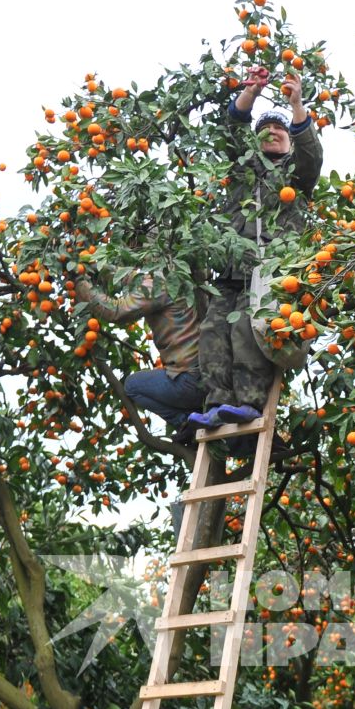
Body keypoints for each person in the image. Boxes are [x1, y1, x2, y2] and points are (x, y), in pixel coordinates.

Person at [190, 63, 323, 434]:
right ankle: (217, 402)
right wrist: (250, 90)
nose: (273, 133)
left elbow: (312, 156)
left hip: (269, 271)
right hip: (231, 269)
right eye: (265, 129)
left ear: (290, 140)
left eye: (280, 130)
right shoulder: (242, 170)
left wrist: (296, 105)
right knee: (213, 332)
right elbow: (231, 130)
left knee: (248, 331)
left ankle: (247, 402)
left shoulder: (295, 175)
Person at [79, 274, 207, 443]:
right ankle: (196, 416)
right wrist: (100, 268)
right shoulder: (185, 276)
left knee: (133, 385)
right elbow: (134, 276)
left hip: (190, 380)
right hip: (211, 377)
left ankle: (186, 421)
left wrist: (80, 284)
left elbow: (115, 311)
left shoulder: (160, 284)